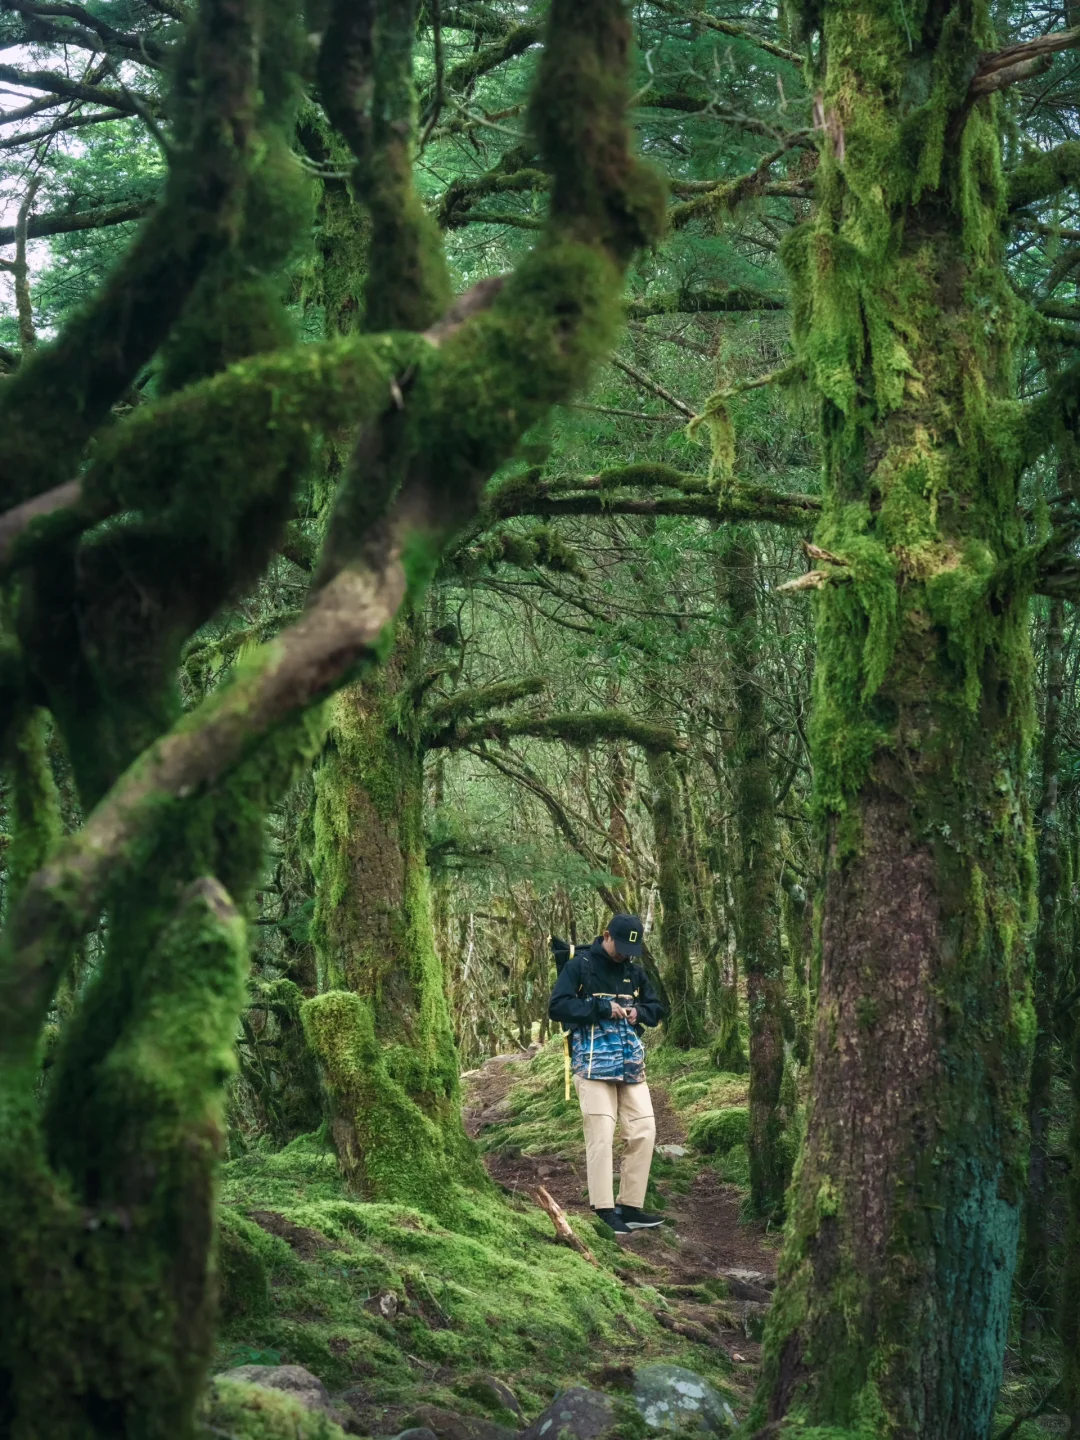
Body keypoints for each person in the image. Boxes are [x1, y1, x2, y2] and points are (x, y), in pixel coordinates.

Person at [548, 914, 668, 1234]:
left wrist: (637, 1012)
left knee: (644, 1130)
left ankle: (629, 1206)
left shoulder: (634, 972)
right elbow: (557, 1007)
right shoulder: (581, 967)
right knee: (601, 1134)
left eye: (632, 949)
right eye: (621, 947)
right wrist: (600, 1008)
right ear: (606, 935)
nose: (624, 954)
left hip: (631, 1066)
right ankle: (603, 1210)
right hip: (592, 1065)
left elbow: (657, 1009)